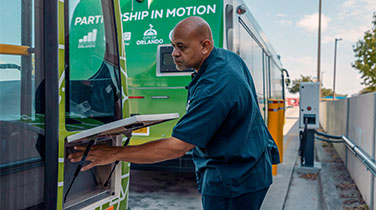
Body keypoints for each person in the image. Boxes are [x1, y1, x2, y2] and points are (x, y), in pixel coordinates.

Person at [68, 16, 280, 210]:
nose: (174, 53)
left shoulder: (216, 85)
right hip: (250, 167)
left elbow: (177, 147)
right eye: (173, 46)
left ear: (205, 46)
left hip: (235, 181)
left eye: (181, 47)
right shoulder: (227, 58)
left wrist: (113, 154)